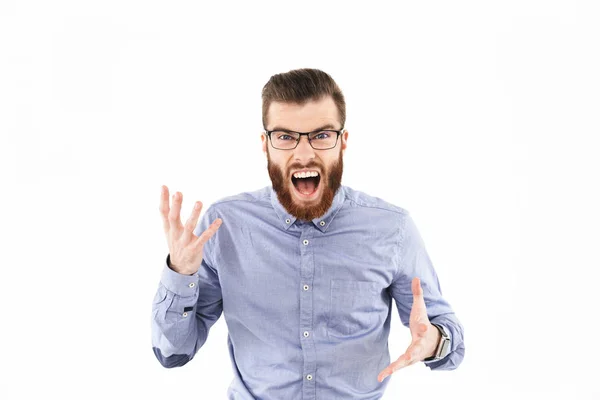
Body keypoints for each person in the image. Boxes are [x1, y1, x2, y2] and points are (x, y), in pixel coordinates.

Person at [151, 68, 465, 399]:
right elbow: (173, 352)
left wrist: (432, 341)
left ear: (343, 142)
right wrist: (179, 273)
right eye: (285, 137)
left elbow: (451, 344)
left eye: (321, 135)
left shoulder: (392, 228)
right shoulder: (223, 226)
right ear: (266, 145)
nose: (303, 154)